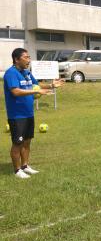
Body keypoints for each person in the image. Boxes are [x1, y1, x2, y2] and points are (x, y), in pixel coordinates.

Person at [3, 48, 64, 179]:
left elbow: (36, 85)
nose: (28, 60)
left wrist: (51, 85)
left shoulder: (26, 73)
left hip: (29, 114)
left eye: (29, 57)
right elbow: (16, 91)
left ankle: (25, 166)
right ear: (16, 59)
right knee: (17, 143)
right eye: (26, 57)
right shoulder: (11, 73)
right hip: (16, 116)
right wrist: (35, 92)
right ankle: (17, 170)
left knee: (27, 142)